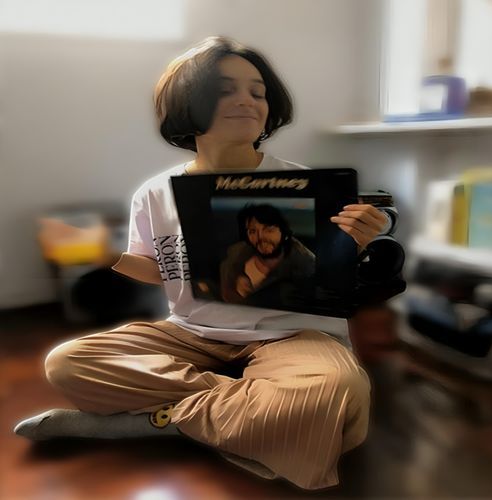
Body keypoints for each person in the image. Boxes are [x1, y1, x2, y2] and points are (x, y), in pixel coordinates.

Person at [14, 36, 401, 490]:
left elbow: (331, 276)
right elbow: (159, 270)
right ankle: (254, 410)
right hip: (191, 332)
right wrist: (104, 255)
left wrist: (354, 243)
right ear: (187, 104)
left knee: (339, 392)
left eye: (258, 92)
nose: (247, 100)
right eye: (225, 89)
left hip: (293, 334)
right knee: (68, 362)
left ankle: (156, 422)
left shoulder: (307, 185)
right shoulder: (155, 193)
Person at [220, 203, 315, 306]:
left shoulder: (305, 265)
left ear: (283, 232)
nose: (260, 237)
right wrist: (236, 279)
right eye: (253, 231)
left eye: (269, 230)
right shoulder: (236, 254)